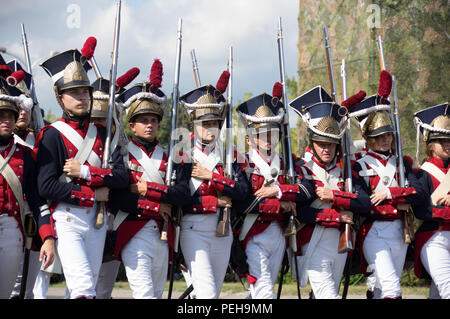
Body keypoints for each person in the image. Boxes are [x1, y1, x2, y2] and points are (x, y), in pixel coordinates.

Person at [36, 49, 129, 299]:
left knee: (81, 289)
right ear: (60, 98)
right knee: (83, 287)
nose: (81, 97)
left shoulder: (102, 134)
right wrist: (91, 193)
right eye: (74, 92)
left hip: (97, 221)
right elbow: (46, 186)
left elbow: (121, 177)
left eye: (84, 91)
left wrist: (87, 173)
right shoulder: (52, 134)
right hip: (67, 219)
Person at [108, 59, 190, 299]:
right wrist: (157, 203)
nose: (150, 125)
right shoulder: (121, 153)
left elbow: (182, 194)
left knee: (156, 293)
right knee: (144, 294)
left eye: (154, 120)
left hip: (163, 232)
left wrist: (146, 189)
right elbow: (117, 198)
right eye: (144, 121)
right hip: (133, 229)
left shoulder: (169, 155)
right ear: (132, 125)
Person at [286, 86, 371, 299]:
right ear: (312, 143)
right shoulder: (301, 168)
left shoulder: (346, 171)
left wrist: (336, 197)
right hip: (311, 239)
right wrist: (335, 215)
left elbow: (364, 204)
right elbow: (300, 212)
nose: (327, 149)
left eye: (331, 144)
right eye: (322, 144)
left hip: (340, 240)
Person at [234, 83, 314, 299]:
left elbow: (307, 191)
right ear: (250, 138)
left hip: (280, 234)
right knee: (264, 293)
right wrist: (282, 203)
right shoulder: (242, 164)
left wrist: (277, 190)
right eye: (262, 134)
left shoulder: (289, 163)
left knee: (261, 292)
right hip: (252, 234)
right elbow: (243, 203)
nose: (268, 139)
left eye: (272, 133)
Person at [350, 71, 424, 299]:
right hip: (374, 231)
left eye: (389, 135)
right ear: (370, 138)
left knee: (380, 288)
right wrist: (398, 202)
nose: (386, 139)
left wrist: (390, 192)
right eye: (380, 135)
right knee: (392, 288)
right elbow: (364, 202)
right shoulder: (358, 165)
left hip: (400, 232)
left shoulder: (402, 162)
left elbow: (418, 194)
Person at [178, 71, 248, 299]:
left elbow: (243, 192)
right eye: (204, 123)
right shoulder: (183, 153)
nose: (210, 129)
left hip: (222, 230)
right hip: (193, 228)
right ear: (194, 124)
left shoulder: (228, 155)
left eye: (215, 124)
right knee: (207, 293)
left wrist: (213, 177)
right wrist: (215, 199)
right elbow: (178, 197)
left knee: (212, 294)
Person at [0, 66, 55, 299]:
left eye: (10, 116)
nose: (6, 121)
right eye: (0, 116)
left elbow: (36, 199)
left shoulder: (26, 155)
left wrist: (48, 237)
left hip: (12, 230)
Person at [412, 103, 450, 299]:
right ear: (430, 144)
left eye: (449, 139)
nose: (447, 144)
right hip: (433, 237)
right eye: (441, 140)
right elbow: (421, 211)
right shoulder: (421, 173)